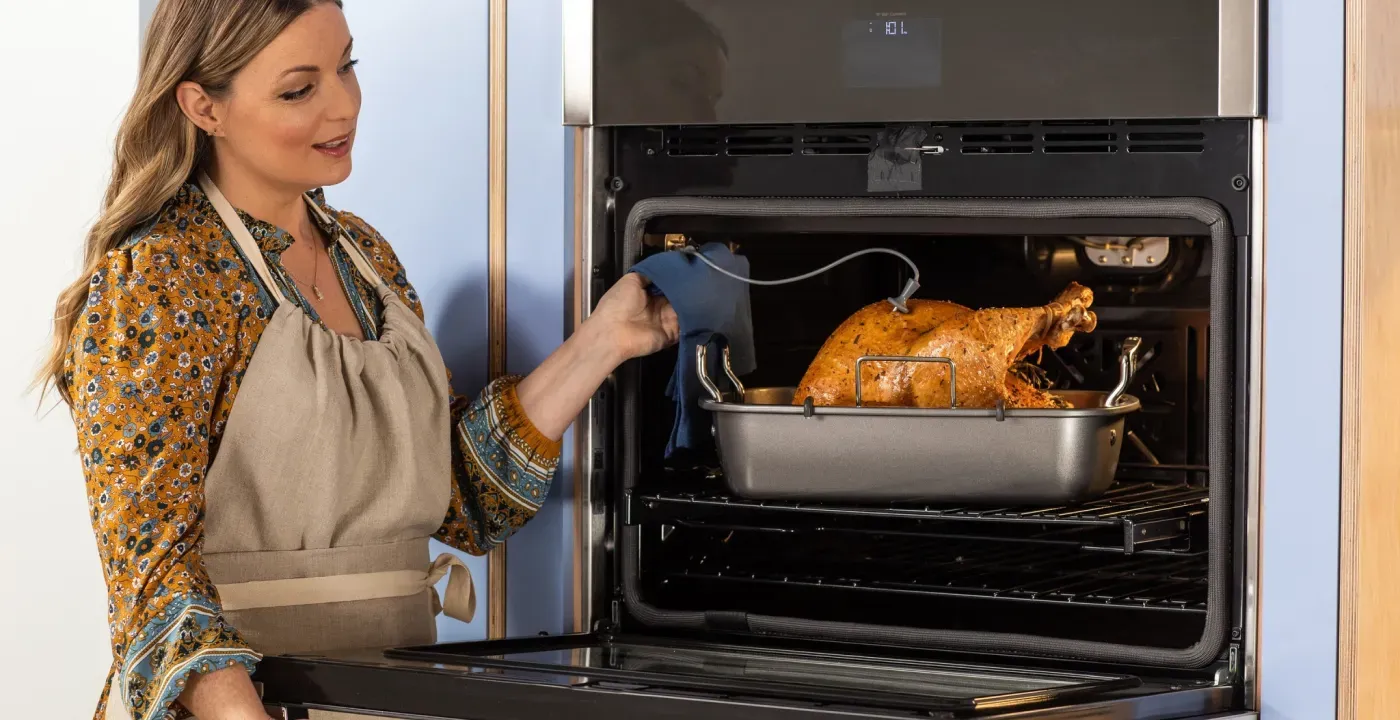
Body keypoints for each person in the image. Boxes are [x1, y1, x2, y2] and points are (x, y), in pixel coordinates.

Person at [36, 1, 678, 718]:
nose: (343, 105)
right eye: (298, 89)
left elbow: (459, 502)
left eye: (347, 66)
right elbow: (151, 579)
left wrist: (603, 341)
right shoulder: (158, 284)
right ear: (203, 107)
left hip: (392, 698)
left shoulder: (365, 258)